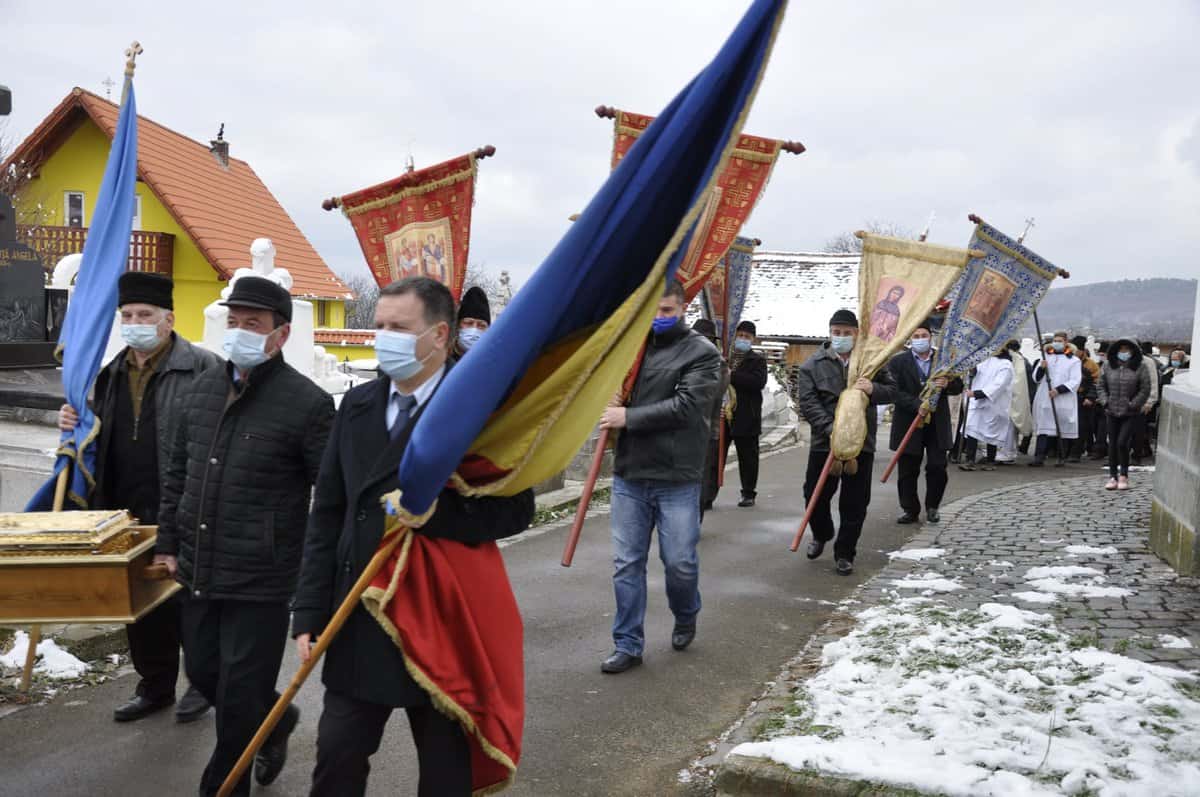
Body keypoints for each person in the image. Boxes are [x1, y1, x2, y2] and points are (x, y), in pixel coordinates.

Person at [292, 276, 534, 796]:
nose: (383, 338)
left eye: (398, 328)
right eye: (379, 326)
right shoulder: (354, 407)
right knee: (336, 761)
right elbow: (328, 514)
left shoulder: (481, 411)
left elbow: (516, 510)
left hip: (441, 620)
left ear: (439, 335)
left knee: (446, 774)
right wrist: (308, 612)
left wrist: (433, 514)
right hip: (359, 609)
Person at [156, 276, 335, 797]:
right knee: (207, 676)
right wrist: (169, 542)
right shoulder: (200, 389)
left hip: (262, 575)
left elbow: (328, 497)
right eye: (233, 322)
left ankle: (222, 785)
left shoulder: (308, 404)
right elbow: (177, 471)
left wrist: (312, 581)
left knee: (237, 694)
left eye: (251, 324)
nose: (238, 332)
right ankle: (276, 723)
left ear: (279, 335)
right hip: (198, 567)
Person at [57, 273, 220, 724]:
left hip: (184, 502)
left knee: (191, 604)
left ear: (168, 319)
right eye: (127, 316)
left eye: (144, 315)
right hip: (125, 504)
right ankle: (155, 686)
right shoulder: (110, 374)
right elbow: (95, 433)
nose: (135, 323)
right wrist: (72, 419)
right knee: (142, 604)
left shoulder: (202, 367)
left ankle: (204, 685)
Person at [597, 280, 721, 673]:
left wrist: (627, 417)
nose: (658, 318)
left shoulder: (703, 354)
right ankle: (627, 643)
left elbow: (687, 406)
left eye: (666, 311)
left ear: (683, 308)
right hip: (630, 473)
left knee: (679, 561)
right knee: (626, 563)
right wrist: (609, 394)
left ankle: (686, 613)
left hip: (677, 476)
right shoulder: (630, 348)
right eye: (653, 310)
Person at [794, 309, 896, 576]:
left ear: (856, 334)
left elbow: (893, 391)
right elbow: (808, 402)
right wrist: (833, 430)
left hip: (862, 443)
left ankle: (845, 553)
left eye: (846, 333)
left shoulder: (871, 362)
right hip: (824, 442)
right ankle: (822, 533)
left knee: (855, 501)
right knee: (814, 496)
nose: (840, 337)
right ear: (830, 333)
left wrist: (873, 390)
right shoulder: (812, 365)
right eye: (836, 332)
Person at [886, 320, 960, 524]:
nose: (920, 340)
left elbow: (958, 386)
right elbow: (893, 391)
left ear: (931, 337)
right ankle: (910, 509)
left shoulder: (943, 360)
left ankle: (933, 506)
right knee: (908, 469)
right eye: (916, 336)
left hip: (936, 423)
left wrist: (948, 383)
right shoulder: (898, 362)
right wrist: (916, 404)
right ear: (910, 339)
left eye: (924, 336)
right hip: (909, 421)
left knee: (937, 466)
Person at [724, 319, 768, 508]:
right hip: (723, 414)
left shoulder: (757, 360)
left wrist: (731, 375)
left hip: (746, 415)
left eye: (747, 337)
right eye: (740, 335)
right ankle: (708, 494)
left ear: (753, 339)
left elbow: (757, 382)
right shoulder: (725, 358)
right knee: (714, 458)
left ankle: (748, 493)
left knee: (748, 458)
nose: (742, 339)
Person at [1096, 338, 1150, 491]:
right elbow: (1100, 385)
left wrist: (1134, 404)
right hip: (1111, 410)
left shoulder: (1140, 367)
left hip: (1130, 412)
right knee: (1112, 444)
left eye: (1127, 350)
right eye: (1121, 350)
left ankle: (1124, 474)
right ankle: (1113, 476)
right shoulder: (1107, 366)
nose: (1124, 353)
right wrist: (1105, 401)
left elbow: (1145, 388)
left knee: (1122, 442)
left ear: (1132, 351)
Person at [692, 319, 730, 518]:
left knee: (699, 480)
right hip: (680, 430)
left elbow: (708, 394)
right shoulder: (685, 358)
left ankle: (693, 522)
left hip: (705, 430)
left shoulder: (718, 364)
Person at [1030, 331, 1081, 466]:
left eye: (1060, 340)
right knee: (1043, 427)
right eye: (1055, 340)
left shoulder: (1074, 360)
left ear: (1066, 342)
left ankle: (1061, 457)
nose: (1057, 343)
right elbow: (1035, 378)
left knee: (1062, 428)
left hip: (1063, 399)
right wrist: (1041, 368)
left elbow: (1075, 380)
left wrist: (1059, 390)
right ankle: (1039, 456)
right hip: (1045, 398)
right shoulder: (1046, 357)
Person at [961, 348, 1015, 470]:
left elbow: (999, 384)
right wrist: (972, 371)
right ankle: (970, 460)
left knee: (991, 433)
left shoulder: (1006, 364)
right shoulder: (981, 360)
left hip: (993, 404)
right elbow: (974, 377)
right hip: (976, 403)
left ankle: (990, 461)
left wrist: (978, 393)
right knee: (971, 429)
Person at [996, 340, 1033, 465]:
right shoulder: (1012, 359)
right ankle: (1004, 452)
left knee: (1010, 427)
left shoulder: (1019, 361)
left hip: (1013, 397)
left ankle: (1008, 453)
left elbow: (1020, 380)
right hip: (1005, 398)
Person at [1069, 336, 1100, 462]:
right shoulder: (1068, 361)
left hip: (1083, 399)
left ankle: (1076, 453)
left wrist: (1090, 397)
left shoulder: (1091, 364)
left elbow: (1097, 382)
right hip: (1068, 397)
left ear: (1082, 351)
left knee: (1082, 427)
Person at [1133, 342, 1162, 463]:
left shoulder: (1147, 362)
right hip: (1122, 401)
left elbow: (1153, 383)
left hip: (1141, 401)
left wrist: (1150, 401)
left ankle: (1136, 455)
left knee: (1138, 430)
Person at [453, 285, 490, 359]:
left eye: (481, 325)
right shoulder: (441, 362)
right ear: (457, 326)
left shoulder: (492, 364)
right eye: (468, 323)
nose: (474, 329)